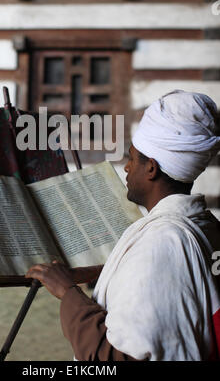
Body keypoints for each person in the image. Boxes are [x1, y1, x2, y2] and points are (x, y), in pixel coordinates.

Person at [26, 90, 220, 361]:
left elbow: (114, 358)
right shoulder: (206, 225)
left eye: (132, 158)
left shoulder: (162, 242)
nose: (127, 168)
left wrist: (68, 293)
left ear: (151, 168)